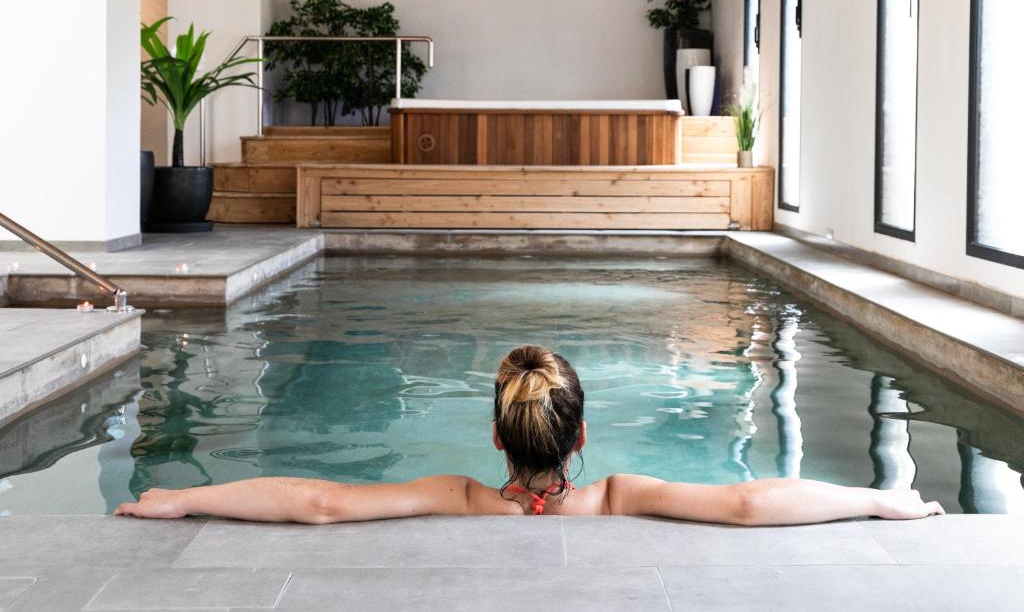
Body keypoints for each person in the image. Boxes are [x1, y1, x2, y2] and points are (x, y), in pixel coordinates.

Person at [115, 345, 945, 524]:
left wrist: (189, 497)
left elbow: (320, 501)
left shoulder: (460, 498)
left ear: (495, 433)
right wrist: (878, 499)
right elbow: (747, 502)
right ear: (580, 433)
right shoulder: (615, 497)